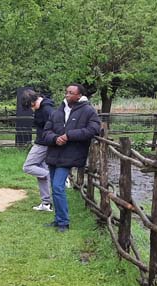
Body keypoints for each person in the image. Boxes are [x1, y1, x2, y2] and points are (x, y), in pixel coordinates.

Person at [41, 84, 101, 232]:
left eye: (71, 93)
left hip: (70, 155)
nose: (67, 95)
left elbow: (94, 129)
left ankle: (63, 223)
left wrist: (70, 135)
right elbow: (46, 132)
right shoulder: (57, 112)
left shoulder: (88, 111)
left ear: (79, 96)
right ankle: (58, 219)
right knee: (55, 188)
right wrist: (55, 138)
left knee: (57, 186)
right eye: (66, 92)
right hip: (54, 154)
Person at [21, 89, 56, 212]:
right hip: (42, 142)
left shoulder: (47, 109)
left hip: (43, 144)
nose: (31, 109)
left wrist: (49, 139)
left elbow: (55, 125)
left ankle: (51, 176)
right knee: (41, 172)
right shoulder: (41, 108)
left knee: (28, 166)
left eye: (30, 106)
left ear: (32, 101)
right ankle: (46, 203)